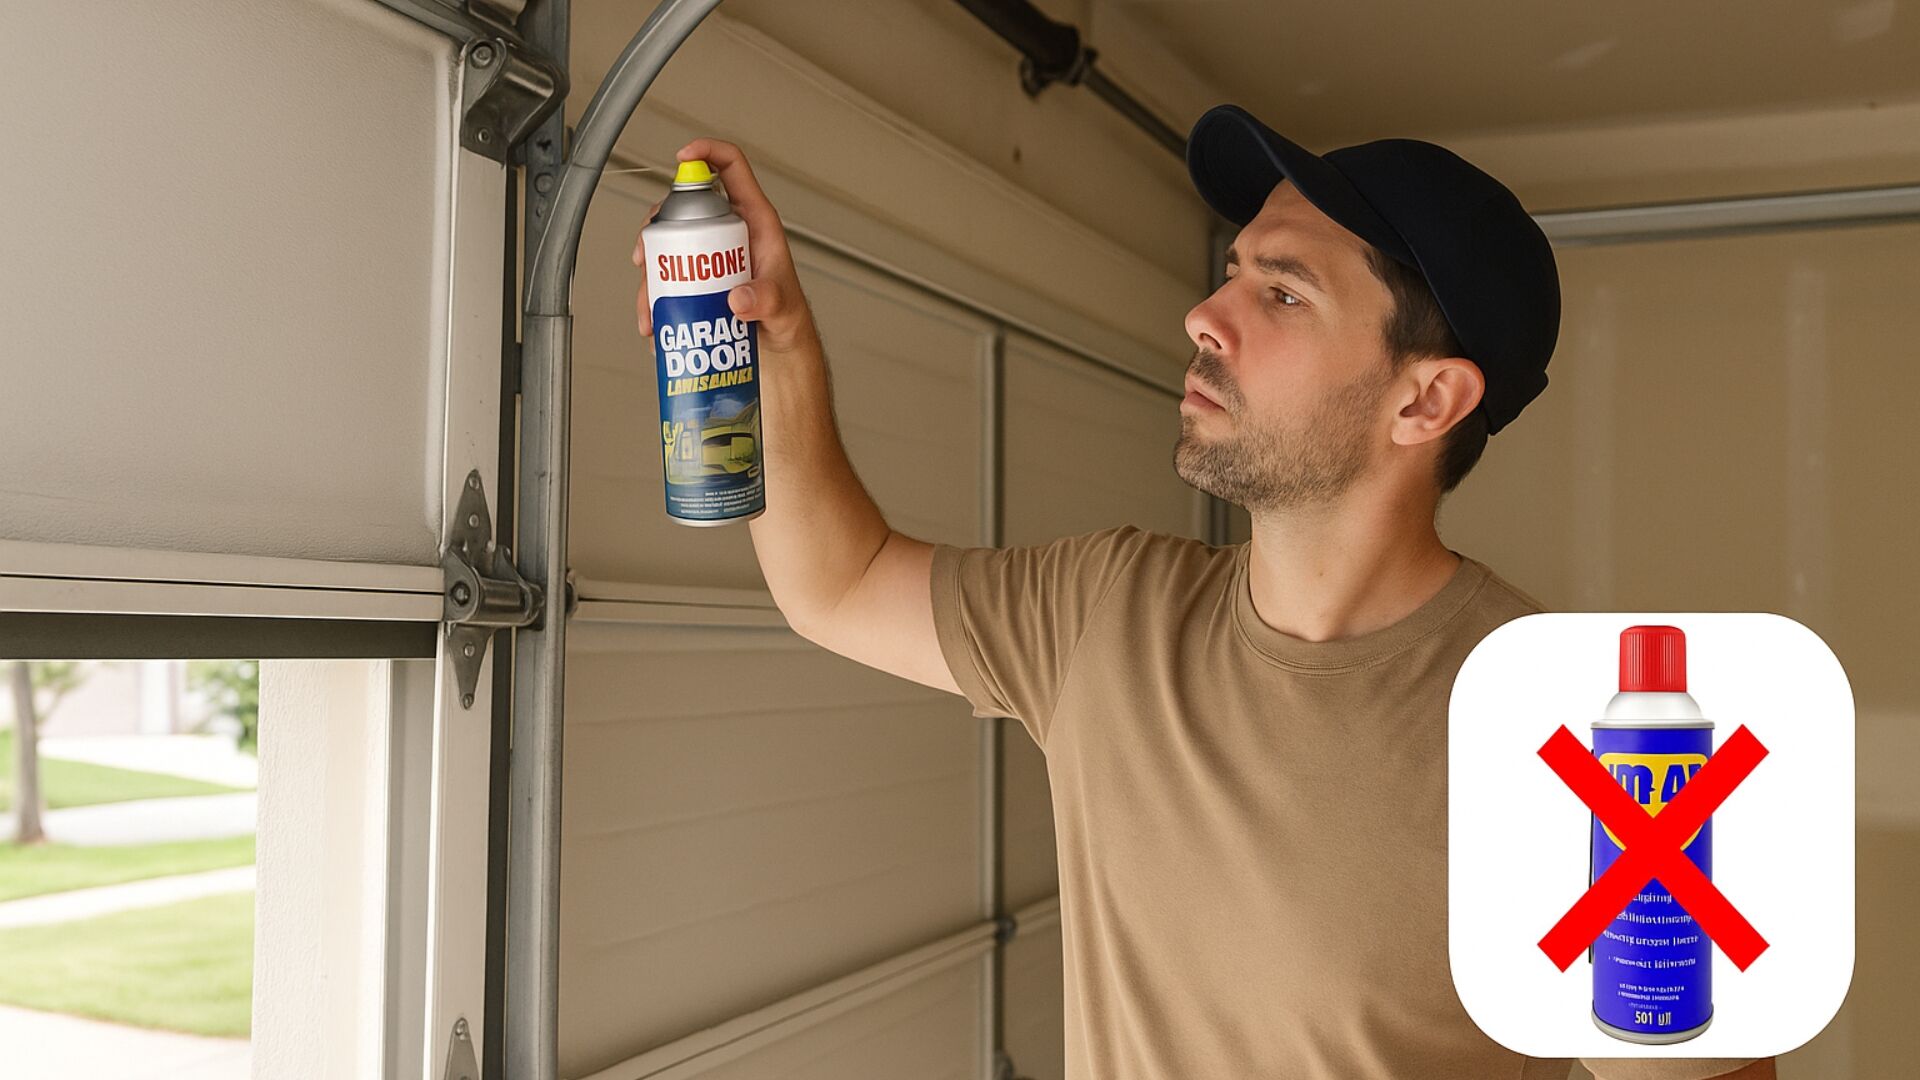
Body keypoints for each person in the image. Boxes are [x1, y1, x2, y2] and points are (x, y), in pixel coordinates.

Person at [632, 105, 1775, 1080]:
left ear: (1427, 402)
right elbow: (839, 584)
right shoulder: (1107, 611)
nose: (1204, 316)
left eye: (1283, 294)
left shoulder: (1586, 746)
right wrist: (777, 343)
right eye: (1232, 273)